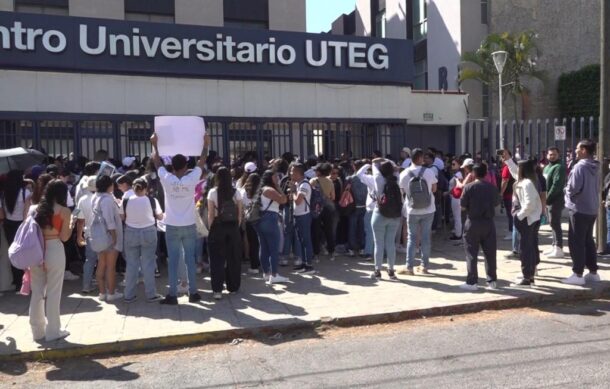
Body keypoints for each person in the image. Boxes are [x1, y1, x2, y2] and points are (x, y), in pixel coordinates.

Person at [150, 133, 209, 305]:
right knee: (190, 260)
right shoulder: (192, 179)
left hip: (172, 225)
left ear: (173, 167)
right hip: (189, 225)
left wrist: (155, 144)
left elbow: (156, 161)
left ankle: (172, 294)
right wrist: (205, 144)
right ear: (186, 166)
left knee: (173, 261)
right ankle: (193, 293)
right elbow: (202, 160)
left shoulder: (167, 179)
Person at [31, 180, 73, 341]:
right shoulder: (63, 211)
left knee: (37, 291)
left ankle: (37, 331)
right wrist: (72, 223)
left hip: (36, 250)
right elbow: (64, 237)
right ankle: (53, 331)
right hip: (54, 248)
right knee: (54, 292)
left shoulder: (35, 209)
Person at [562, 140, 602, 286]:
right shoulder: (596, 166)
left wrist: (566, 192)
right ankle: (593, 272)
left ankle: (577, 273)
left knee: (576, 241)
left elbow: (573, 187)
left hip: (578, 208)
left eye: (578, 148)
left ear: (584, 150)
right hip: (591, 208)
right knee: (588, 240)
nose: (576, 150)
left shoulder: (580, 167)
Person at [123, 178, 164, 303]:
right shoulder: (152, 200)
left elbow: (121, 216)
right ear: (146, 188)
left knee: (131, 264)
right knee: (148, 264)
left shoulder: (126, 201)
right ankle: (151, 294)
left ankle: (128, 295)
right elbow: (160, 216)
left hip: (130, 232)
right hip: (148, 232)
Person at [459, 164, 500, 291]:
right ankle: (492, 281)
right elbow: (497, 203)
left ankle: (472, 282)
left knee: (471, 253)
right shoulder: (492, 188)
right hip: (488, 222)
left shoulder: (468, 187)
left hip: (473, 222)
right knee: (490, 253)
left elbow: (462, 206)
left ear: (473, 174)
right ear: (486, 173)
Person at [399, 149, 438, 275]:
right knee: (426, 237)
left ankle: (409, 267)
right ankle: (424, 266)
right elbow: (434, 188)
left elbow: (403, 191)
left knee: (411, 237)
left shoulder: (404, 173)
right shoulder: (429, 172)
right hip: (428, 209)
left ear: (411, 158)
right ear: (421, 158)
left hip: (412, 209)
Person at [207, 167, 243, 299]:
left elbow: (211, 214)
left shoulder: (212, 192)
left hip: (218, 227)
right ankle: (233, 287)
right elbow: (240, 213)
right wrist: (236, 227)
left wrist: (211, 228)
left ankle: (217, 290)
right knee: (233, 258)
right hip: (233, 228)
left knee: (216, 260)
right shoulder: (236, 192)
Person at [366, 159, 401, 279]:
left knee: (378, 244)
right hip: (395, 215)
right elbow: (395, 169)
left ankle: (377, 271)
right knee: (390, 243)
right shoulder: (397, 178)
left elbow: (374, 163)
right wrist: (391, 162)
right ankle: (391, 270)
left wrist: (381, 160)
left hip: (380, 213)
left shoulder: (378, 180)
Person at [254, 170, 290, 284]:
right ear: (271, 178)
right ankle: (274, 274)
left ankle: (266, 273)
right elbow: (283, 200)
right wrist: (278, 186)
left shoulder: (261, 189)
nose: (278, 178)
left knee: (264, 247)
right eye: (275, 176)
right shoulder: (270, 189)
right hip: (270, 219)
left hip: (261, 219)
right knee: (274, 248)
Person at [510, 160, 542, 288]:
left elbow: (530, 203)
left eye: (519, 167)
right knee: (530, 246)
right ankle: (530, 276)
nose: (517, 170)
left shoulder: (527, 183)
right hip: (529, 218)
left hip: (527, 219)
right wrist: (507, 160)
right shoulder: (526, 181)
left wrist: (520, 215)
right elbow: (513, 172)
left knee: (526, 248)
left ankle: (526, 278)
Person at [92, 175, 124, 301]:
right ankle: (111, 293)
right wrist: (114, 237)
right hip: (108, 236)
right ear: (108, 185)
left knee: (101, 263)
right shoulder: (107, 200)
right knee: (111, 266)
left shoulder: (96, 197)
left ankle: (101, 292)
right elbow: (110, 221)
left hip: (98, 235)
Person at [3, 170, 33, 290]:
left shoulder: (4, 194)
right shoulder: (25, 193)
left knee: (13, 252)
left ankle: (17, 281)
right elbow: (28, 211)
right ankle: (26, 281)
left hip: (8, 225)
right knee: (25, 252)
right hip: (22, 224)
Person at [289, 163, 316, 274]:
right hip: (298, 215)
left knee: (306, 240)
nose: (290, 173)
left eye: (292, 171)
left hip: (304, 215)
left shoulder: (304, 185)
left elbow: (298, 200)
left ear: (298, 172)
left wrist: (294, 190)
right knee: (301, 240)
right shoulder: (298, 183)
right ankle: (303, 264)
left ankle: (309, 265)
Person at [75, 176, 98, 294]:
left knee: (89, 260)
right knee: (105, 261)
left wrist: (79, 236)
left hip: (89, 234)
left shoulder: (82, 199)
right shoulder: (105, 197)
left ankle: (86, 285)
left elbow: (79, 220)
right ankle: (105, 286)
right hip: (105, 235)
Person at [543, 147, 566, 258]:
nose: (552, 156)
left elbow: (556, 185)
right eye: (550, 154)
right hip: (547, 200)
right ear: (547, 155)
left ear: (558, 155)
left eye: (554, 154)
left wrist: (548, 198)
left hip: (555, 200)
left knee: (555, 223)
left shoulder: (559, 167)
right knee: (551, 223)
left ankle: (559, 247)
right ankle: (554, 245)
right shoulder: (547, 168)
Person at [310, 163, 336, 261]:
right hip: (327, 208)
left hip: (316, 208)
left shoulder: (313, 181)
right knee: (328, 230)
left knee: (315, 231)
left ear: (319, 172)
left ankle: (316, 253)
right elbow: (333, 197)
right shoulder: (330, 181)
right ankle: (332, 252)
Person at [240, 173, 261, 274]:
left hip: (249, 219)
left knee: (252, 244)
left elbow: (242, 203)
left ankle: (254, 266)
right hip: (259, 218)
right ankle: (262, 263)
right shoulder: (261, 191)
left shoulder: (245, 191)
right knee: (261, 242)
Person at [346, 160, 368, 257]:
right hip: (365, 206)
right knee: (362, 228)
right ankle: (362, 248)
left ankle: (351, 248)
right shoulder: (367, 178)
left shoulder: (350, 178)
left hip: (353, 206)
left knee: (352, 228)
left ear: (354, 167)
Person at [448, 158, 463, 240]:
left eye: (454, 164)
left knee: (457, 216)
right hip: (454, 197)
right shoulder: (457, 174)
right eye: (452, 164)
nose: (452, 166)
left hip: (456, 197)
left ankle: (458, 234)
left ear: (459, 165)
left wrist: (448, 192)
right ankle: (457, 232)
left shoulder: (458, 175)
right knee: (456, 216)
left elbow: (458, 186)